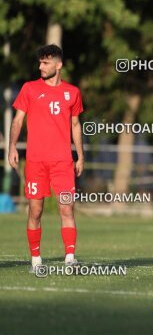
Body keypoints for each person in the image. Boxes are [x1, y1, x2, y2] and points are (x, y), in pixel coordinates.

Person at [8, 44, 84, 272]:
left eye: (46, 62)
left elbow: (75, 124)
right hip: (35, 161)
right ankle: (35, 259)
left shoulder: (73, 92)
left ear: (58, 65)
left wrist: (80, 155)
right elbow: (17, 120)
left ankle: (70, 257)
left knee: (66, 208)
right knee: (36, 211)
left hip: (62, 161)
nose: (41, 66)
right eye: (40, 62)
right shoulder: (29, 89)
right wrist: (12, 146)